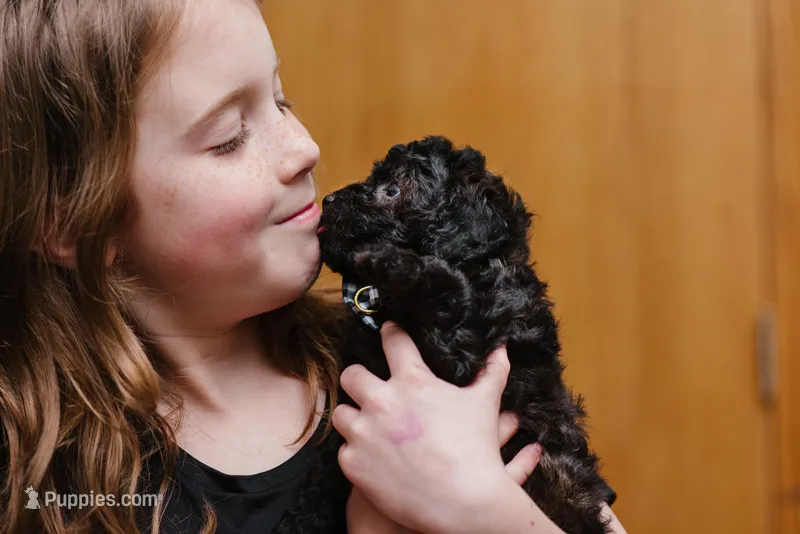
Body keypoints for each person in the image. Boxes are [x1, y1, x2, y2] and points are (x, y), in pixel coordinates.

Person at [0, 1, 627, 533]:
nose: (304, 147)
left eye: (280, 97)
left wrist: (485, 511)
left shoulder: (420, 364)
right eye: (228, 137)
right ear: (77, 221)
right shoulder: (39, 478)